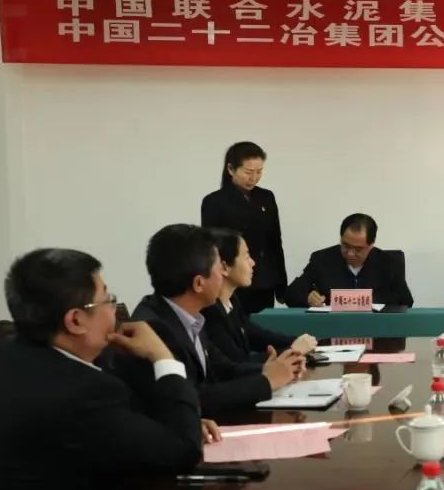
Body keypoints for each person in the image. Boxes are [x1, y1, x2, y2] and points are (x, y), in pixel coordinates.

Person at [0, 248, 203, 490]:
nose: (114, 309)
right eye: (107, 299)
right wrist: (163, 357)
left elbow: (124, 424)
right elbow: (182, 451)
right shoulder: (80, 392)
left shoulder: (9, 352)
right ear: (76, 320)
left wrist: (163, 425)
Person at [129, 224, 304, 418]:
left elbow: (223, 368)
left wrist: (272, 370)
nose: (223, 275)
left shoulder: (189, 315)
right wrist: (266, 381)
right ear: (199, 283)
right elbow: (195, 397)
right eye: (218, 268)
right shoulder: (154, 329)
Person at [203, 228, 317, 364]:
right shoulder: (210, 311)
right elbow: (238, 363)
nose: (253, 262)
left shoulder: (231, 300)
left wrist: (296, 342)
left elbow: (254, 334)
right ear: (224, 267)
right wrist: (293, 350)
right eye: (246, 256)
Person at [201, 142, 286, 314]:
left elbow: (275, 242)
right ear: (231, 169)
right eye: (248, 172)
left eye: (259, 171)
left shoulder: (266, 197)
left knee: (262, 326)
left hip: (263, 281)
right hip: (232, 281)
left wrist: (281, 284)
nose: (254, 178)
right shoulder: (214, 201)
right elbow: (212, 249)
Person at [285, 214, 414, 308]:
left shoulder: (389, 264)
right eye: (345, 245)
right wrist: (307, 297)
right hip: (332, 330)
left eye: (358, 249)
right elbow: (290, 294)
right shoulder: (322, 260)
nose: (350, 253)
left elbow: (406, 302)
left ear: (371, 244)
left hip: (375, 330)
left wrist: (369, 302)